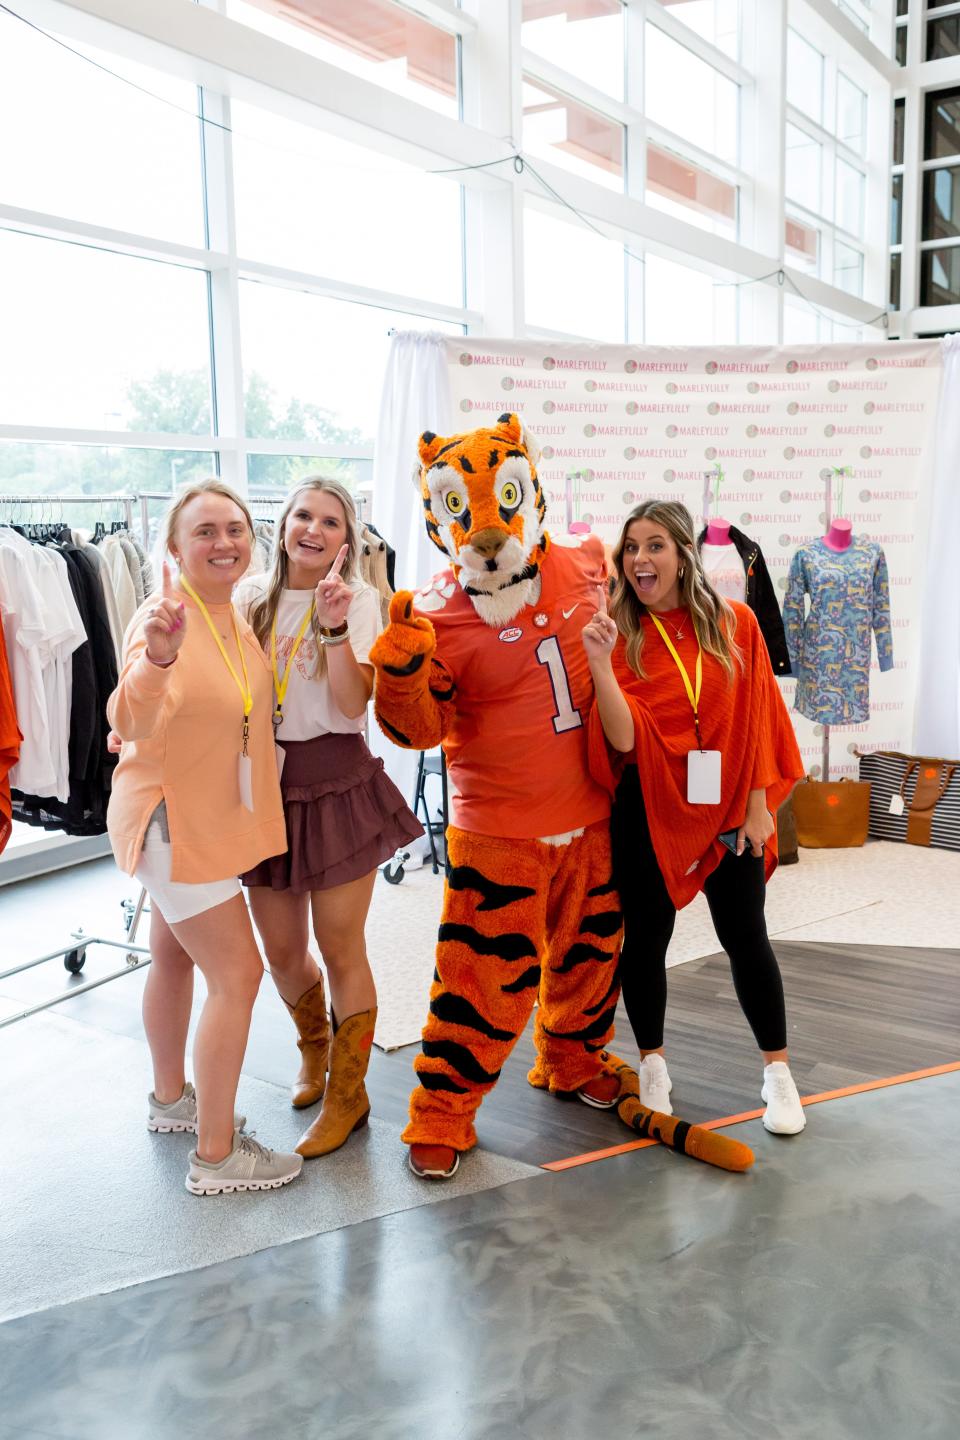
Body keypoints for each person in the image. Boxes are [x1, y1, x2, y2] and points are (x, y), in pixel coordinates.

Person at [581, 499, 807, 1135]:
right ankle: (652, 1062)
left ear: (683, 554)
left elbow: (759, 712)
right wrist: (600, 663)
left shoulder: (735, 622)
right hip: (649, 808)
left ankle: (778, 1073)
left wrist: (758, 802)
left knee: (746, 939)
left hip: (730, 808)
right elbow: (623, 740)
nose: (639, 559)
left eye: (654, 545)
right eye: (630, 547)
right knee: (646, 942)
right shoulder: (620, 633)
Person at [107, 479, 304, 1195]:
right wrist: (157, 660)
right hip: (173, 823)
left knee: (172, 953)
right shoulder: (163, 620)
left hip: (199, 818)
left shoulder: (230, 614)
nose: (224, 542)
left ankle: (172, 1102)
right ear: (174, 547)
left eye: (236, 528)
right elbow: (128, 719)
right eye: (205, 532)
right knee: (238, 975)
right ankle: (218, 1157)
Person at [236, 478, 421, 1158]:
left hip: (337, 783)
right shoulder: (248, 599)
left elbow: (351, 707)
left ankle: (349, 1093)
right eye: (304, 516)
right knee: (282, 952)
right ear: (283, 524)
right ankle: (316, 1051)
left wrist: (337, 625)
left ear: (349, 538)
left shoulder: (359, 600)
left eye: (332, 522)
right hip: (264, 786)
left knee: (341, 945)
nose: (314, 529)